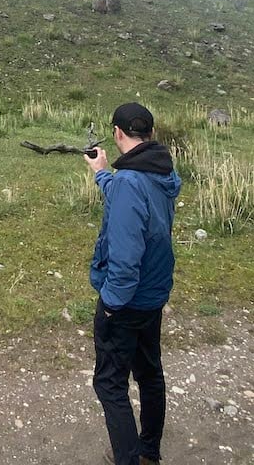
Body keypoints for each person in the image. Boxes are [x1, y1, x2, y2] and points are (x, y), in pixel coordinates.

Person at [84, 103, 181, 465]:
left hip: (125, 302)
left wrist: (110, 304)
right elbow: (131, 200)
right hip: (153, 298)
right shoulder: (160, 173)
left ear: (117, 133)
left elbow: (125, 263)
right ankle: (149, 452)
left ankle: (130, 459)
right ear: (150, 135)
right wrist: (102, 173)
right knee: (150, 374)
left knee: (110, 385)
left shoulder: (130, 182)